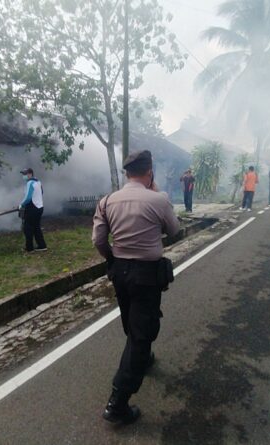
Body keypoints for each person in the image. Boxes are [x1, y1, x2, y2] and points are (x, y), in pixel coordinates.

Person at [92, 150, 180, 424]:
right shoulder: (159, 199)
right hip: (146, 275)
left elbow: (98, 240)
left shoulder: (106, 201)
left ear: (126, 173)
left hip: (119, 271)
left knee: (132, 321)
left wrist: (112, 257)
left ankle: (143, 356)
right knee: (143, 332)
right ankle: (118, 402)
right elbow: (174, 231)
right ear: (149, 171)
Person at [19, 168, 47, 252]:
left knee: (27, 228)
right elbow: (41, 192)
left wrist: (21, 204)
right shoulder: (38, 182)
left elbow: (28, 197)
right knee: (36, 227)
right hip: (40, 207)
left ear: (30, 174)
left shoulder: (30, 183)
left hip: (32, 208)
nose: (24, 176)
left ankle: (29, 248)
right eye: (23, 174)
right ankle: (42, 246)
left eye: (25, 174)